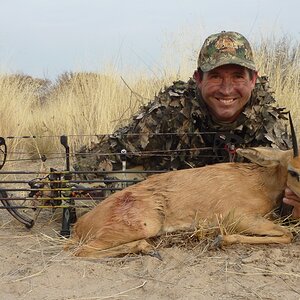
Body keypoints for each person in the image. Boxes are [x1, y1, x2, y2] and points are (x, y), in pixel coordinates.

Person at [75, 31, 300, 218]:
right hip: (167, 200)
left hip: (230, 209)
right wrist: (69, 189)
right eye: (215, 76)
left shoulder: (270, 125)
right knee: (108, 193)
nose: (227, 89)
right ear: (198, 79)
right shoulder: (169, 112)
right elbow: (111, 154)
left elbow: (289, 183)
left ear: (253, 80)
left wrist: (293, 207)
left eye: (238, 77)